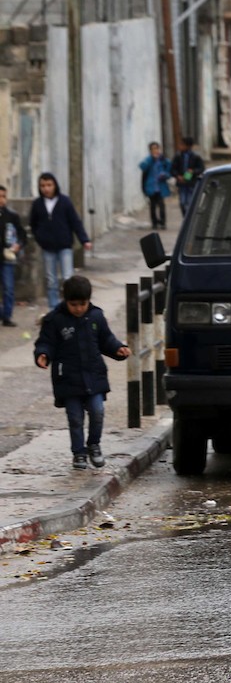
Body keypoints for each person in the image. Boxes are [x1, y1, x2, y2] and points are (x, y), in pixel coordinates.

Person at [34, 275, 131, 470]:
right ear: (65, 301)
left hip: (94, 376)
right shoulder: (55, 320)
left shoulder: (96, 317)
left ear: (89, 300)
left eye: (82, 304)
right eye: (74, 304)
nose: (78, 308)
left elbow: (106, 339)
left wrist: (118, 349)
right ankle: (78, 453)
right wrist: (43, 354)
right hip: (68, 379)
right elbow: (46, 342)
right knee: (75, 417)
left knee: (97, 411)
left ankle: (93, 444)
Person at [29, 172, 91, 310]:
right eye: (43, 185)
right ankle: (53, 309)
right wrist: (40, 238)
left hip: (64, 246)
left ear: (55, 185)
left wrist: (84, 239)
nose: (46, 188)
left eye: (49, 185)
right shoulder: (38, 204)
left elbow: (75, 222)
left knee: (68, 278)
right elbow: (33, 224)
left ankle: (69, 306)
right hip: (47, 248)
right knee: (51, 280)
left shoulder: (64, 201)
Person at [0, 184, 28, 327]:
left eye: (4, 196)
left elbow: (23, 235)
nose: (1, 200)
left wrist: (18, 245)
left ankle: (7, 317)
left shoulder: (11, 216)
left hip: (7, 257)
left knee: (9, 288)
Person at [139, 141, 172, 230]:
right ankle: (154, 222)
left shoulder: (164, 160)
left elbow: (169, 171)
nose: (155, 151)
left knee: (161, 205)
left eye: (156, 148)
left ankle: (163, 222)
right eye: (153, 149)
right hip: (151, 187)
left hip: (161, 187)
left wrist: (164, 175)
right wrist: (151, 159)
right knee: (153, 205)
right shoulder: (148, 160)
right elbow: (142, 167)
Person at [171, 137, 205, 218]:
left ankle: (189, 218)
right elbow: (173, 169)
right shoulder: (178, 156)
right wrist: (177, 176)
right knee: (182, 202)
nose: (180, 146)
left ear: (188, 146)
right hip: (182, 184)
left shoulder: (195, 157)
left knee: (190, 202)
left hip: (191, 183)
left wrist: (193, 171)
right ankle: (185, 217)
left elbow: (201, 168)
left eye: (182, 144)